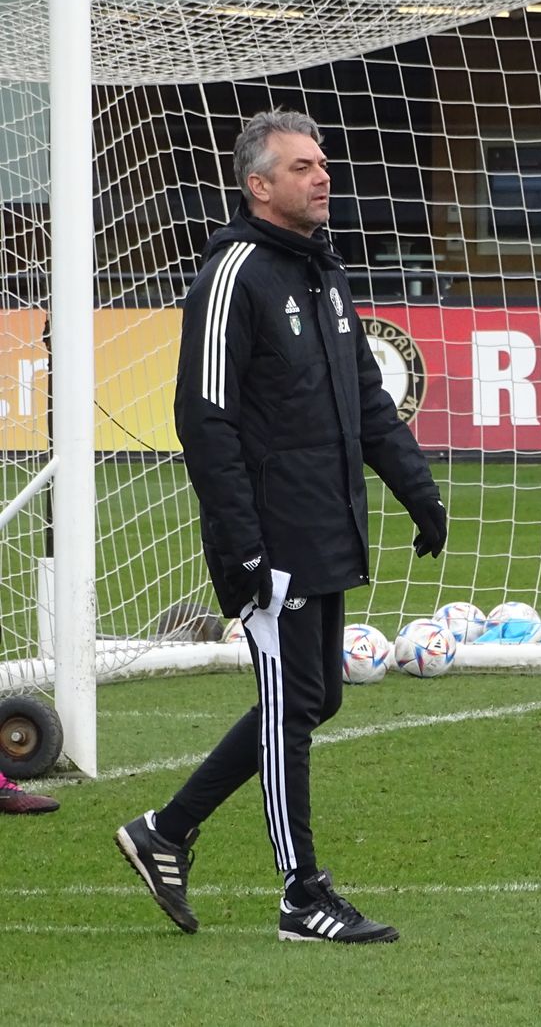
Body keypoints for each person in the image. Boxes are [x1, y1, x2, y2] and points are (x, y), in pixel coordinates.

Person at [115, 109, 448, 942]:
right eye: (303, 167)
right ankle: (302, 895)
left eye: (323, 163)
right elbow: (204, 422)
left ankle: (168, 829)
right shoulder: (232, 275)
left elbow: (367, 405)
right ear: (260, 186)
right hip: (272, 540)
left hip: (326, 526)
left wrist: (418, 490)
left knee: (312, 697)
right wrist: (244, 546)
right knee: (289, 709)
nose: (322, 176)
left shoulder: (322, 271)